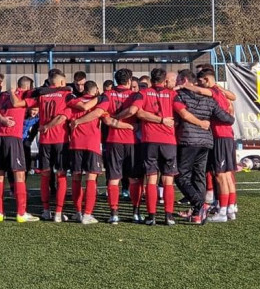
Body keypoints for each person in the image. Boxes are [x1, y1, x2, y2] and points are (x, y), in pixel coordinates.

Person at [173, 68, 236, 224]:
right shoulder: (215, 95)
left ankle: (205, 206)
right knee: (203, 175)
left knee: (215, 175)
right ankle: (224, 209)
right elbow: (229, 115)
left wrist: (182, 87)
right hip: (208, 140)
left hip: (199, 138)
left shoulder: (188, 94)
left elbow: (184, 113)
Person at [120, 68, 178, 225]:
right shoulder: (172, 94)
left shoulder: (143, 93)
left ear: (151, 80)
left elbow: (138, 112)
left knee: (151, 178)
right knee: (168, 179)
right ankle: (169, 216)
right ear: (165, 81)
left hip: (150, 140)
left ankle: (151, 216)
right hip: (169, 141)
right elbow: (182, 112)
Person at [65, 81, 116, 224]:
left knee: (76, 178)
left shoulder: (75, 102)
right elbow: (107, 120)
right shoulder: (99, 103)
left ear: (84, 90)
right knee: (91, 179)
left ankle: (78, 212)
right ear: (96, 90)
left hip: (75, 144)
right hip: (92, 144)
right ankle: (87, 214)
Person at [0, 74, 35, 223]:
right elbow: (16, 103)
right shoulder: (24, 96)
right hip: (13, 137)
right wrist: (12, 92)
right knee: (19, 174)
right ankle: (21, 213)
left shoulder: (2, 96)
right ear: (28, 87)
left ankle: (0, 213)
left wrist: (1, 119)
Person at [31, 69, 75, 220]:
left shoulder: (42, 95)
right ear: (61, 82)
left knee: (45, 176)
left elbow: (27, 102)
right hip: (61, 140)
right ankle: (58, 212)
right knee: (61, 175)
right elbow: (63, 117)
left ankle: (45, 210)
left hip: (45, 141)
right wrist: (48, 126)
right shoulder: (66, 95)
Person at [99, 68, 140, 225]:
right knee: (134, 178)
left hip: (113, 140)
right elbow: (137, 112)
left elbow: (106, 119)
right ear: (129, 81)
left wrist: (115, 119)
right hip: (132, 141)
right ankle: (135, 213)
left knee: (114, 178)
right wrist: (129, 126)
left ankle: (114, 214)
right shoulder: (135, 95)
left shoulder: (107, 95)